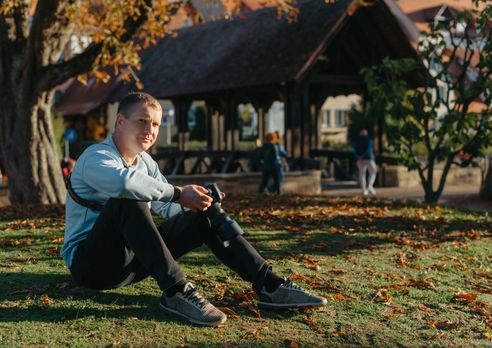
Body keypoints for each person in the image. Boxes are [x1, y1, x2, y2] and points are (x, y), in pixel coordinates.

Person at [61, 92, 327, 327]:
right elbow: (126, 184)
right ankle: (176, 291)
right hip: (91, 267)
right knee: (128, 200)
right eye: (142, 121)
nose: (150, 130)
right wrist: (180, 193)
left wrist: (202, 208)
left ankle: (269, 284)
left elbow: (167, 207)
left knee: (202, 214)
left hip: (131, 264)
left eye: (155, 124)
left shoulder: (146, 163)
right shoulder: (95, 157)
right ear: (120, 121)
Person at [353, 129, 377, 196]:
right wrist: (363, 156)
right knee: (373, 171)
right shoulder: (369, 140)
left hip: (359, 160)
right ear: (366, 134)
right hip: (368, 159)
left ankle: (364, 190)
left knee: (362, 174)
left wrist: (359, 157)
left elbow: (354, 150)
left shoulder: (357, 141)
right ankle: (370, 186)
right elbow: (368, 149)